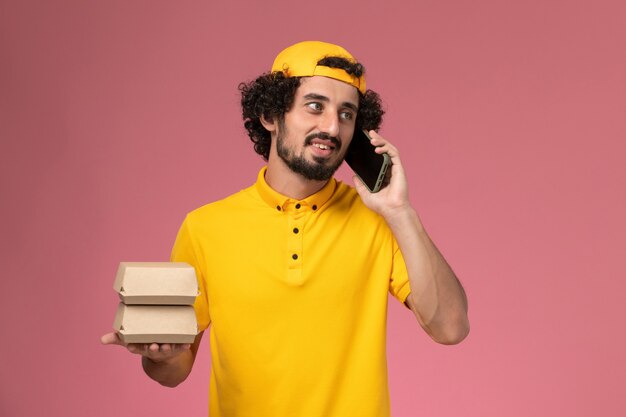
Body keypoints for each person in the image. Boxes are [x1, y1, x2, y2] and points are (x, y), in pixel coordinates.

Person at [102, 40, 469, 417]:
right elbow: (173, 372)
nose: (331, 126)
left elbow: (451, 328)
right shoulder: (205, 228)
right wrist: (160, 356)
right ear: (270, 115)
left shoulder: (378, 220)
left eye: (347, 114)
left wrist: (401, 211)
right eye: (315, 106)